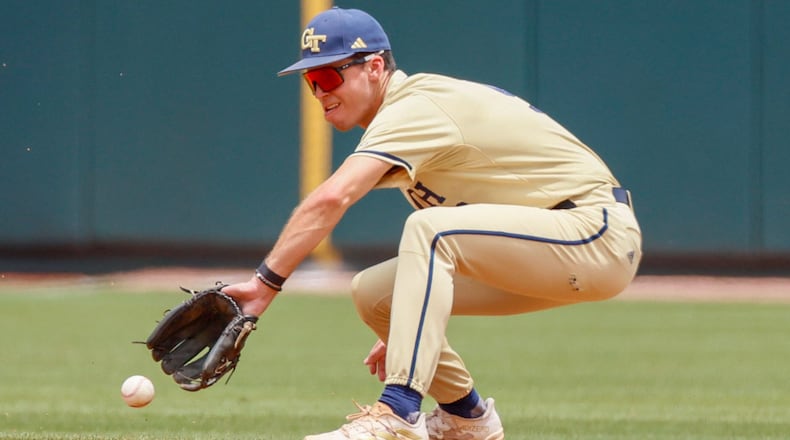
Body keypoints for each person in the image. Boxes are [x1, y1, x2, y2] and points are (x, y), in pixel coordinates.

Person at [222, 6, 642, 440]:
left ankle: (397, 412)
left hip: (594, 232)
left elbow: (332, 197)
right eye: (311, 82)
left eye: (329, 77)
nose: (320, 92)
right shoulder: (403, 116)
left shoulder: (414, 107)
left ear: (375, 67)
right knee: (375, 294)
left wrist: (264, 284)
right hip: (550, 240)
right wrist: (413, 331)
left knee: (431, 229)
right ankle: (466, 416)